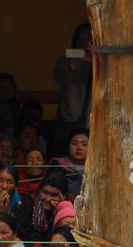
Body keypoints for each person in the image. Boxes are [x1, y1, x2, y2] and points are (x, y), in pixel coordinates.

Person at [53, 24, 92, 152]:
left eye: (89, 39)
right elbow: (61, 79)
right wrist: (78, 60)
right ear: (74, 40)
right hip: (69, 125)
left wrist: (95, 59)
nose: (84, 43)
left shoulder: (102, 61)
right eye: (80, 39)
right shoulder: (64, 60)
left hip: (93, 125)